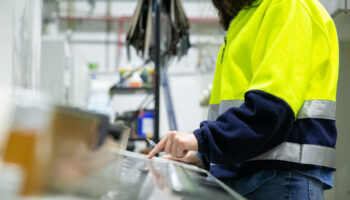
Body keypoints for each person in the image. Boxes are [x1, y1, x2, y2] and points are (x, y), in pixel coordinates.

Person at [147, 0, 339, 199]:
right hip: (256, 178)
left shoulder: (288, 6)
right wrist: (203, 155)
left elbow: (272, 110)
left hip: (281, 180)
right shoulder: (245, 19)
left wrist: (203, 140)